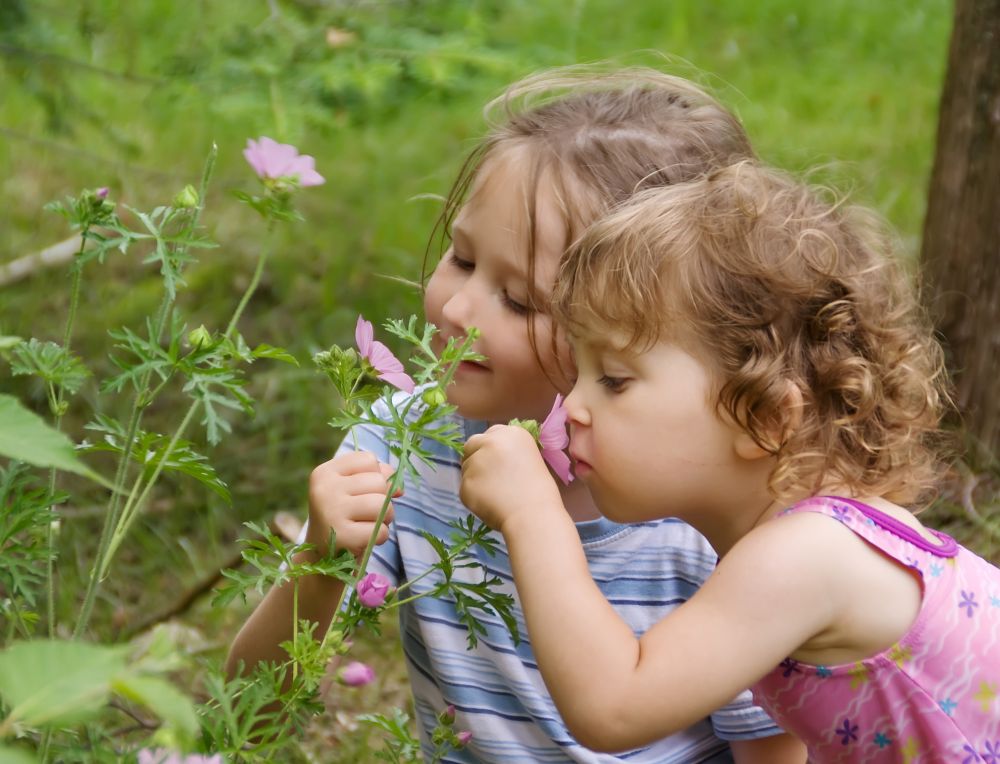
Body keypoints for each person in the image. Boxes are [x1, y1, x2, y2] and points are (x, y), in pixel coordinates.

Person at [228, 67, 805, 763]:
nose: (459, 310)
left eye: (522, 302)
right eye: (462, 257)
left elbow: (770, 751)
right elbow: (247, 718)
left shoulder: (705, 516)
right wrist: (320, 565)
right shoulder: (405, 449)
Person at [460, 160, 1000, 762]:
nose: (572, 408)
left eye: (613, 380)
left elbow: (614, 707)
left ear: (763, 418)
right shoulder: (813, 536)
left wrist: (534, 515)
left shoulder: (808, 554)